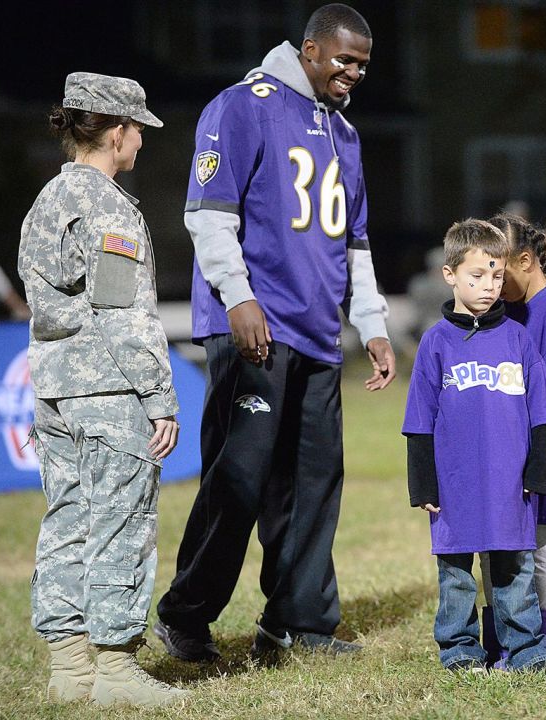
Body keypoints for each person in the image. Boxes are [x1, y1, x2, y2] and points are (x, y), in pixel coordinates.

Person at [155, 3, 396, 662]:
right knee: (240, 480)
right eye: (344, 59)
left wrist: (371, 323)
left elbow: (357, 243)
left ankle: (298, 628)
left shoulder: (344, 133)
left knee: (314, 485)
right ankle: (185, 617)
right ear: (311, 50)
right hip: (256, 329)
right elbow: (207, 214)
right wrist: (239, 299)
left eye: (363, 65)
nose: (353, 73)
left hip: (319, 335)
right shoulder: (242, 106)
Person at [18, 72, 187, 708]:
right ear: (115, 133)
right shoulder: (111, 208)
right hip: (110, 391)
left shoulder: (46, 202)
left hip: (55, 388)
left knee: (67, 518)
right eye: (138, 129)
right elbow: (123, 313)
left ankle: (69, 670)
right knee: (121, 520)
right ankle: (115, 671)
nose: (141, 141)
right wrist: (158, 397)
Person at [402, 219, 546, 674]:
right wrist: (424, 487)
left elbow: (543, 414)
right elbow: (418, 424)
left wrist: (536, 474)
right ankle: (459, 651)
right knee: (456, 577)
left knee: (515, 571)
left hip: (510, 483)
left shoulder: (518, 338)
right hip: (454, 486)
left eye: (496, 276)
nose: (489, 287)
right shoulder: (435, 344)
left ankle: (529, 650)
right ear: (450, 275)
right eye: (477, 277)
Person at [477, 213, 546, 669]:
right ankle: (502, 643)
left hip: (542, 459)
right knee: (505, 549)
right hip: (509, 456)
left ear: (526, 260)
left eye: (499, 270)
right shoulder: (515, 313)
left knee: (539, 552)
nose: (494, 281)